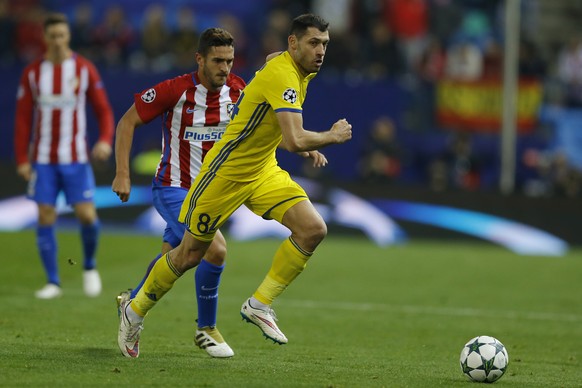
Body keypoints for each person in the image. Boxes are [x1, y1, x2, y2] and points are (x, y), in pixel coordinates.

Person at [114, 13, 352, 358]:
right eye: (314, 43)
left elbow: (285, 130)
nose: (321, 51)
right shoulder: (281, 76)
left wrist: (305, 142)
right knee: (188, 255)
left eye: (325, 44)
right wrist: (331, 136)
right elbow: (294, 137)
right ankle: (134, 312)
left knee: (313, 229)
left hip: (262, 172)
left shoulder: (289, 70)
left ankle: (259, 304)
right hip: (220, 177)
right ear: (294, 42)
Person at [111, 28, 245, 358]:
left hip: (211, 195)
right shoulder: (175, 90)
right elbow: (127, 122)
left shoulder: (239, 90)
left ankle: (131, 303)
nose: (224, 68)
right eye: (217, 61)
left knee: (178, 259)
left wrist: (302, 146)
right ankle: (207, 329)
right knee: (214, 249)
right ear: (199, 59)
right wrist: (123, 174)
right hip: (173, 187)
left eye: (229, 61)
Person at [14, 13, 114, 299]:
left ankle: (90, 266)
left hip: (76, 157)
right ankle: (53, 282)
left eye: (62, 35)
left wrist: (105, 140)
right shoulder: (33, 73)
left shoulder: (84, 69)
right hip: (44, 159)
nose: (57, 41)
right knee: (45, 215)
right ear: (45, 38)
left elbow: (104, 110)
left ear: (68, 36)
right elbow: (22, 119)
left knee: (86, 214)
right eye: (52, 36)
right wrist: (22, 158)